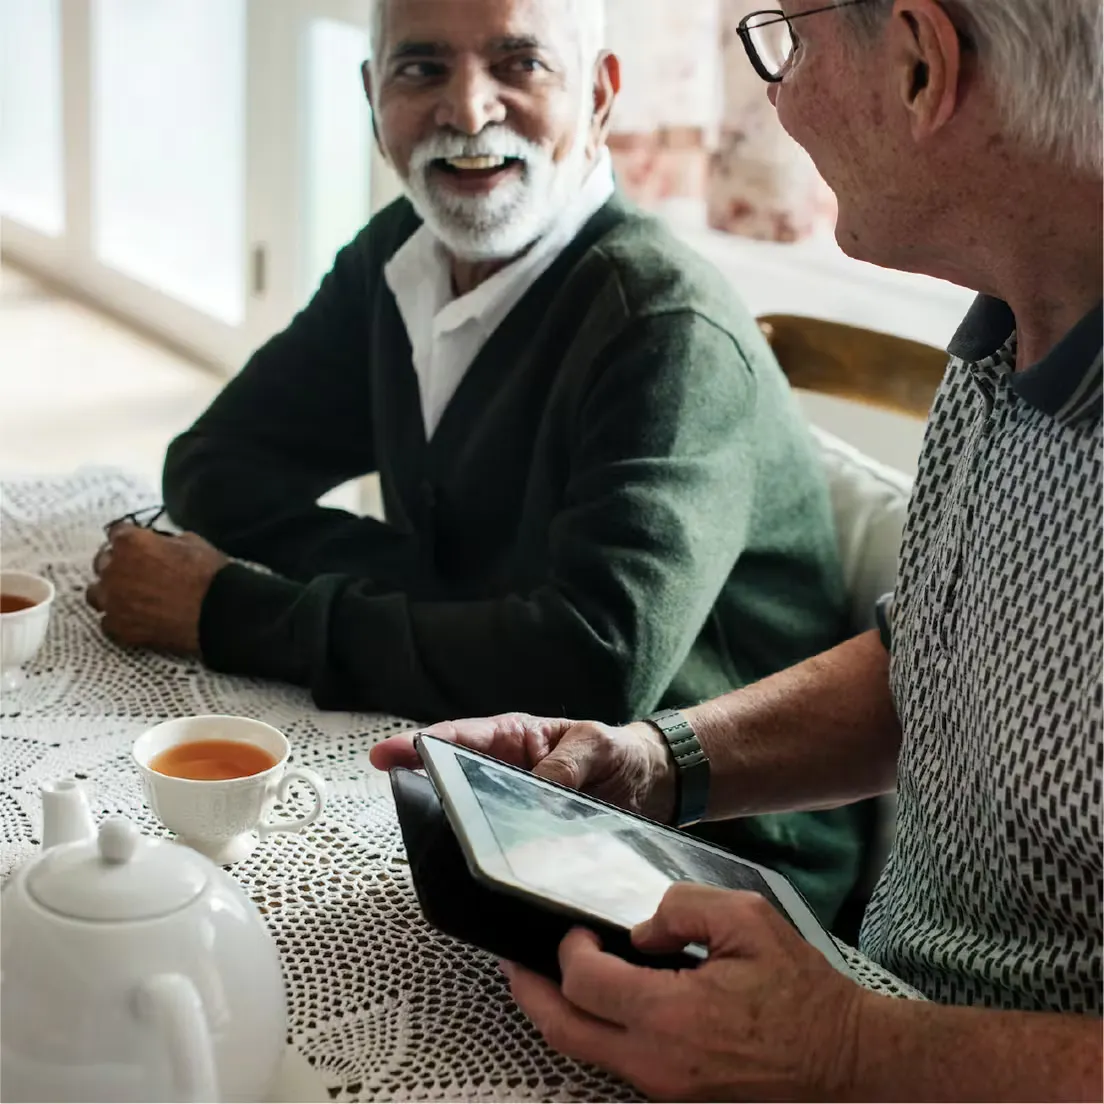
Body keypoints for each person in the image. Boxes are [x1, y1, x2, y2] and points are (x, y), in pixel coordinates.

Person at [371, 0, 1104, 1098]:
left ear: (920, 63)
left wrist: (852, 1053)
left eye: (791, 40)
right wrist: (660, 763)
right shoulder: (1010, 328)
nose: (779, 89)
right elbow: (933, 667)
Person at [86, 0, 869, 924]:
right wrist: (464, 603)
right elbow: (217, 466)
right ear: (371, 96)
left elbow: (589, 667)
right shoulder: (400, 256)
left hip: (717, 857)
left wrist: (232, 610)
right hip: (506, 781)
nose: (467, 108)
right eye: (420, 69)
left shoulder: (666, 329)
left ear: (602, 93)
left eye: (519, 63)